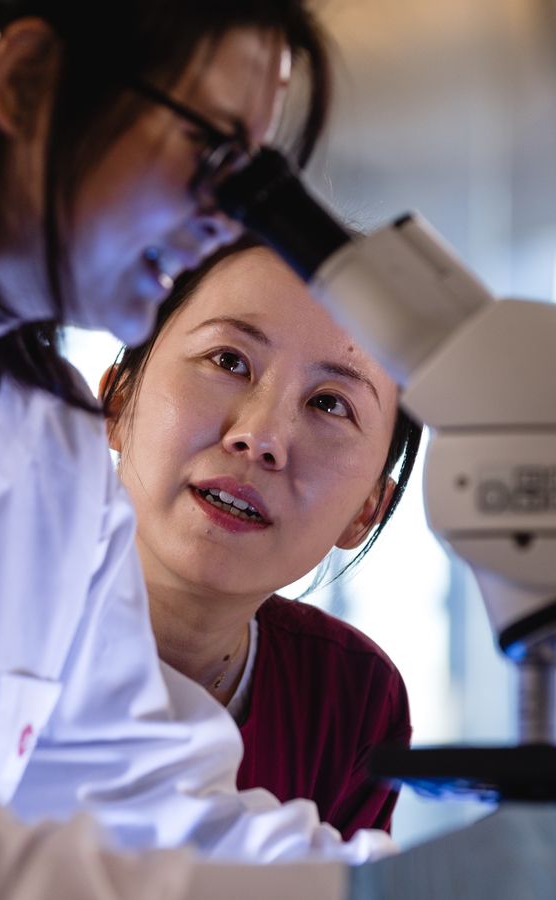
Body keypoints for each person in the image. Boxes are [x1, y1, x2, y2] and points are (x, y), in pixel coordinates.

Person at [0, 2, 556, 898]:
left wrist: (394, 880)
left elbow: (148, 788)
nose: (221, 219)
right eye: (212, 153)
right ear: (25, 83)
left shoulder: (45, 437)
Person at [101, 237, 420, 840]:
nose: (261, 436)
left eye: (330, 404)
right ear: (116, 402)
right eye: (228, 361)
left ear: (366, 510)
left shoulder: (351, 699)